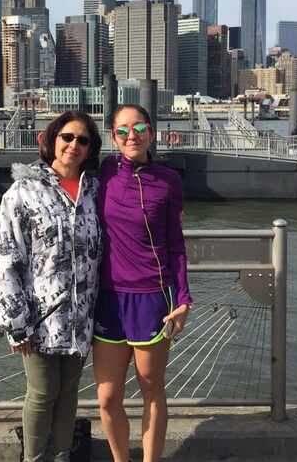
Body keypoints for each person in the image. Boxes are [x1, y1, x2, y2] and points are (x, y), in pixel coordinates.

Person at [0, 110, 103, 462]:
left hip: (81, 316)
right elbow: (2, 261)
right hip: (39, 318)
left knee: (69, 394)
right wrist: (16, 324)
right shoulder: (23, 192)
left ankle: (62, 455)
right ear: (51, 141)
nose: (73, 145)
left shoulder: (95, 192)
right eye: (67, 137)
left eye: (83, 140)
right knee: (41, 392)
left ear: (90, 149)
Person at [94, 104, 192, 462]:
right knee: (107, 398)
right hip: (107, 298)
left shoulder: (169, 181)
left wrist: (183, 297)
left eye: (138, 128)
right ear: (112, 137)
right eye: (122, 130)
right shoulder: (102, 172)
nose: (130, 136)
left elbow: (177, 243)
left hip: (153, 298)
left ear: (151, 132)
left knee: (152, 388)